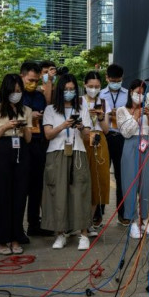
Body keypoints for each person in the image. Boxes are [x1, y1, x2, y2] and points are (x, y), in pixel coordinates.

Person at [42, 74, 92, 250]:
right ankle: (60, 234)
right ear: (60, 90)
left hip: (78, 152)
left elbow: (87, 135)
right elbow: (48, 134)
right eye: (66, 89)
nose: (69, 92)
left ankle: (84, 234)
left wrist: (80, 128)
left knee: (81, 191)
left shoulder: (82, 107)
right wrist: (64, 125)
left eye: (72, 90)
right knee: (58, 193)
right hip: (56, 153)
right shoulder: (50, 110)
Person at [0, 74, 32, 255]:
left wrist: (24, 127)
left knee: (20, 197)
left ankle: (16, 237)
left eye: (19, 91)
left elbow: (28, 139)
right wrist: (4, 127)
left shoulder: (26, 110)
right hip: (2, 151)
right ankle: (2, 239)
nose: (16, 94)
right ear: (6, 91)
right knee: (2, 197)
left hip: (21, 152)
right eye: (13, 91)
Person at [116, 79, 149, 239]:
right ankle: (133, 221)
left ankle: (145, 220)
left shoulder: (147, 109)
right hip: (131, 146)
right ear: (130, 92)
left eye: (142, 93)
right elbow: (125, 132)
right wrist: (136, 116)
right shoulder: (122, 110)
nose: (140, 96)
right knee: (130, 184)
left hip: (146, 145)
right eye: (137, 92)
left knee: (147, 184)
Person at [20, 61, 52, 239]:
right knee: (21, 186)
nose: (32, 83)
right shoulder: (16, 94)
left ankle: (34, 224)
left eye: (35, 80)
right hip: (22, 144)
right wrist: (28, 115)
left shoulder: (40, 96)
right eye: (30, 80)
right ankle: (18, 227)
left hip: (38, 143)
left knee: (36, 187)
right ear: (22, 76)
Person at [99, 64, 129, 225]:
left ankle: (122, 213)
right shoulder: (100, 93)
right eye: (112, 80)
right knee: (102, 175)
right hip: (105, 135)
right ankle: (98, 214)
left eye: (118, 80)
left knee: (121, 176)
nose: (115, 83)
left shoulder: (128, 94)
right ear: (107, 78)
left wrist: (121, 112)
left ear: (122, 78)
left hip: (122, 136)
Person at [82, 71, 110, 234]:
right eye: (90, 86)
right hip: (83, 139)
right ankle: (79, 222)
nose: (93, 89)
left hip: (99, 140)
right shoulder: (79, 101)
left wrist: (100, 117)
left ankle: (89, 222)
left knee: (99, 181)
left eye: (97, 86)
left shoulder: (103, 102)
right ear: (85, 85)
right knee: (82, 181)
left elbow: (106, 129)